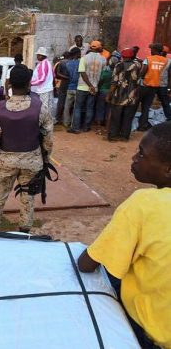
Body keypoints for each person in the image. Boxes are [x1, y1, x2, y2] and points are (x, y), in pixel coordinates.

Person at [78, 121, 171, 349]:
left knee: (106, 278)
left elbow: (86, 264)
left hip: (152, 334)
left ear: (168, 169)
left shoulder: (144, 204)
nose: (133, 159)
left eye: (141, 154)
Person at [0, 66, 54, 233]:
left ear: (9, 83)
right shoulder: (40, 108)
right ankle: (24, 230)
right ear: (29, 84)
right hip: (32, 161)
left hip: (6, 162)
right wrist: (45, 160)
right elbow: (48, 139)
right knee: (28, 197)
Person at [68, 41, 106, 133]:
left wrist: (90, 85)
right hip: (94, 88)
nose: (102, 48)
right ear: (97, 47)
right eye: (101, 46)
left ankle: (75, 128)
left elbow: (82, 72)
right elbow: (102, 75)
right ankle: (86, 127)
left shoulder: (84, 58)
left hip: (82, 87)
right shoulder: (103, 59)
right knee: (90, 107)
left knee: (78, 108)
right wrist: (94, 86)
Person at [106, 48, 141, 141]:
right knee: (128, 117)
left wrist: (109, 95)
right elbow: (138, 81)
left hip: (119, 96)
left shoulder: (119, 65)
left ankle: (113, 136)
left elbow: (114, 82)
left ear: (123, 56)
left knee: (116, 117)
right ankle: (125, 137)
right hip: (132, 96)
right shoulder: (138, 65)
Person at [136, 43, 171, 130]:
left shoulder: (150, 59)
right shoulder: (168, 61)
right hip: (161, 85)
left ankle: (134, 123)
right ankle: (169, 119)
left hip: (149, 84)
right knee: (164, 103)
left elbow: (143, 72)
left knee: (140, 104)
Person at [93, 53, 116, 133]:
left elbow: (100, 81)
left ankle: (99, 127)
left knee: (100, 109)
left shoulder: (105, 72)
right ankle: (107, 127)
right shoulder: (115, 73)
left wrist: (97, 89)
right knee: (108, 110)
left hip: (102, 92)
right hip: (111, 93)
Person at [62, 47, 82, 129]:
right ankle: (74, 124)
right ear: (77, 54)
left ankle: (66, 122)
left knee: (67, 106)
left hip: (69, 87)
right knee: (76, 107)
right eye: (79, 53)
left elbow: (66, 75)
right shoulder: (80, 63)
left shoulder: (67, 64)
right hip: (78, 87)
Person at [30, 47, 55, 112]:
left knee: (44, 109)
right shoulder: (47, 63)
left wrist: (31, 83)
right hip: (47, 88)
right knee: (48, 108)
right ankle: (48, 121)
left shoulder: (43, 64)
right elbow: (53, 75)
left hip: (44, 89)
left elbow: (42, 79)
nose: (37, 56)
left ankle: (44, 121)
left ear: (42, 55)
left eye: (38, 55)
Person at [54, 51, 71, 124]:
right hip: (71, 83)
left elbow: (57, 74)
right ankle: (67, 119)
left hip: (63, 83)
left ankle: (58, 118)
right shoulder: (73, 62)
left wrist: (65, 77)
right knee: (69, 102)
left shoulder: (61, 63)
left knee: (61, 101)